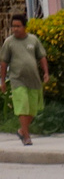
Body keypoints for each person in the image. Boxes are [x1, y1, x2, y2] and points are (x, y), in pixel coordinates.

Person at [2, 14, 48, 146]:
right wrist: (2, 81)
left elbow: (42, 57)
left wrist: (46, 73)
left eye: (18, 26)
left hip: (34, 80)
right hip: (17, 80)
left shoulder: (33, 40)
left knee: (33, 110)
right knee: (23, 107)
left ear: (24, 27)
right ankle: (27, 137)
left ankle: (22, 130)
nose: (15, 29)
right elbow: (4, 62)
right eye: (13, 26)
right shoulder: (9, 42)